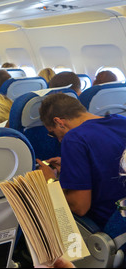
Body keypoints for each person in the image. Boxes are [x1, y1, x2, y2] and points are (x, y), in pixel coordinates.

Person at [37, 93, 126, 230]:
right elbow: (112, 160)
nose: (59, 140)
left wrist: (50, 181)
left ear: (59, 122)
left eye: (53, 133)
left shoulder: (74, 138)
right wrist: (71, 163)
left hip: (109, 229)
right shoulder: (121, 121)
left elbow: (80, 207)